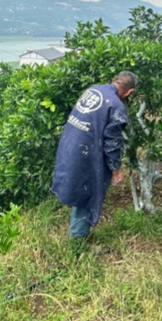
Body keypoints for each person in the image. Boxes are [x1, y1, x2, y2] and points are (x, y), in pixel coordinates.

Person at [51, 71, 137, 239]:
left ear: (114, 81)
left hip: (70, 145)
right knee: (88, 193)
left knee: (77, 188)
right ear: (129, 92)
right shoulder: (115, 106)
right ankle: (78, 240)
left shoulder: (94, 90)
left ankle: (77, 232)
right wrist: (116, 170)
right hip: (87, 154)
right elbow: (112, 143)